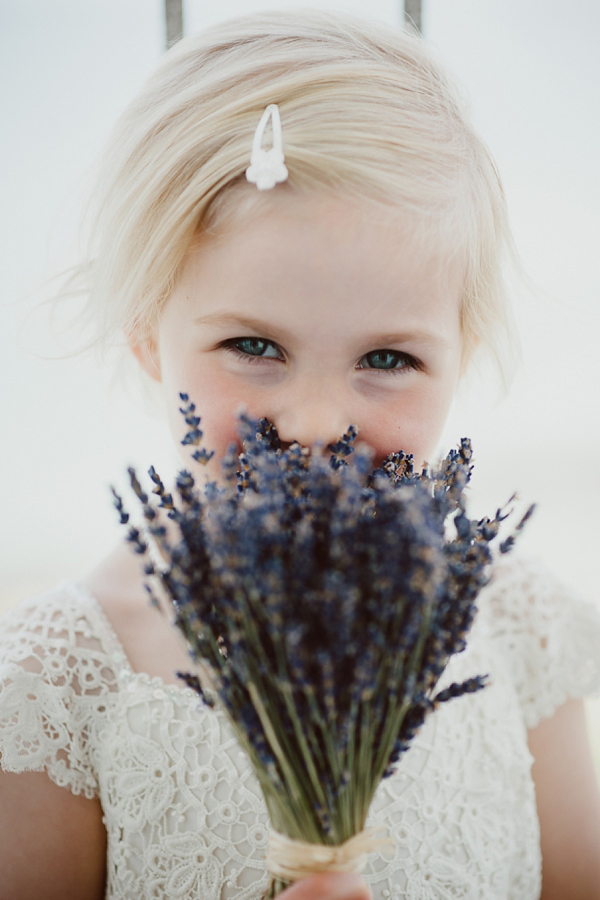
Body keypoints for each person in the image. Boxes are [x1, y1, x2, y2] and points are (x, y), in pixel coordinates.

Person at [1, 9, 600, 900]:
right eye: (255, 346)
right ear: (146, 336)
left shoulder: (511, 625)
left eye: (388, 359)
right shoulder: (62, 676)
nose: (319, 421)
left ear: (459, 357)